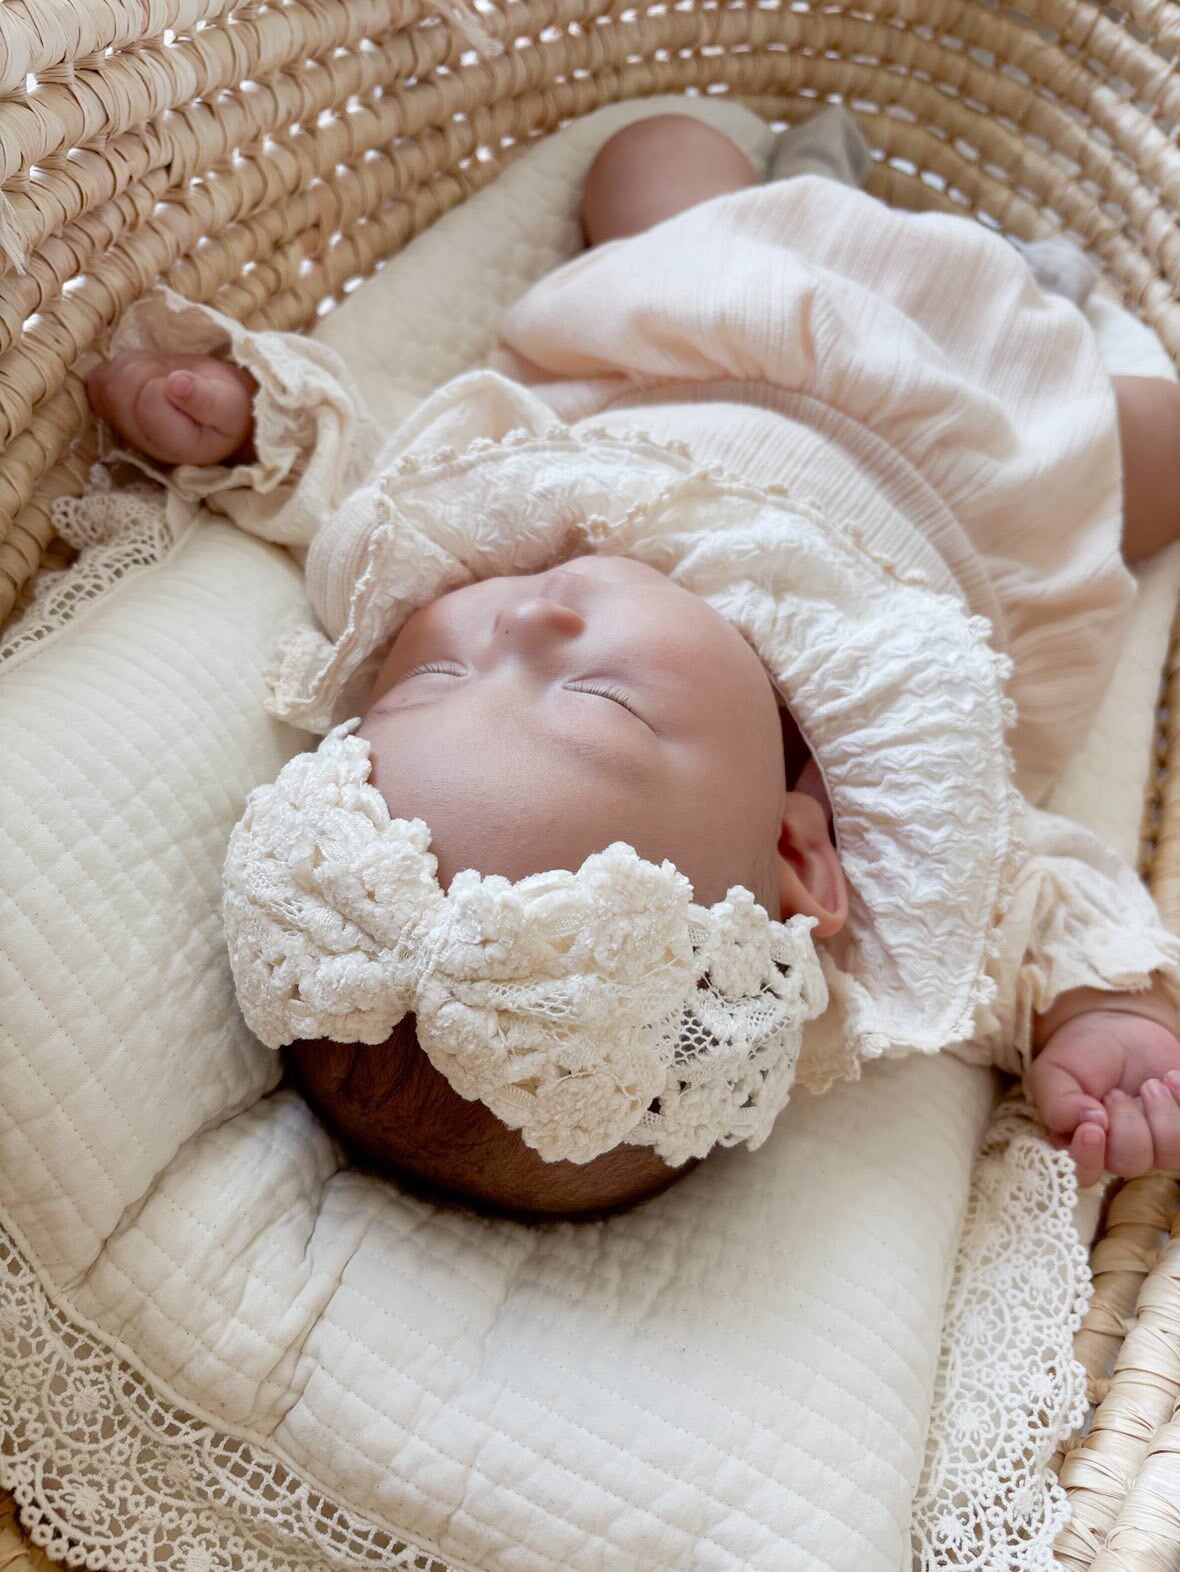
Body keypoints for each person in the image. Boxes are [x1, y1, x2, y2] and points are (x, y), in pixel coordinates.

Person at [85, 107, 1180, 1218]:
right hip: (993, 465)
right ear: (796, 855)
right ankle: (1032, 289)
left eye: (428, 680)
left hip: (715, 322)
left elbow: (364, 482)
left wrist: (250, 425)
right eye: (604, 698)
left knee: (651, 159)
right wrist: (1107, 1016)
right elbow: (1045, 902)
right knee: (1158, 461)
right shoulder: (907, 821)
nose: (519, 623)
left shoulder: (482, 548)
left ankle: (815, 187)